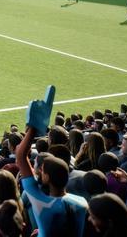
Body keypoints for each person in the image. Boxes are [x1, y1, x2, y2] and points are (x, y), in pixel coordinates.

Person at [17, 88, 88, 237]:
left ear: (47, 177)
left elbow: (20, 156)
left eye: (41, 169)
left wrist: (33, 128)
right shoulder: (82, 202)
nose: (38, 171)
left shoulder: (42, 204)